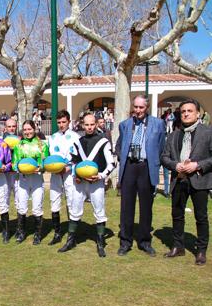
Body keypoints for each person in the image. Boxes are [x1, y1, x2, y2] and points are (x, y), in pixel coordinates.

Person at [161, 99, 212, 266]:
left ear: (197, 113)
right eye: (183, 111)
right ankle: (178, 246)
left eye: (190, 111)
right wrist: (176, 166)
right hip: (179, 179)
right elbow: (164, 157)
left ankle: (201, 250)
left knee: (201, 216)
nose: (186, 114)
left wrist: (197, 165)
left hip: (199, 180)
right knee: (177, 215)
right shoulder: (174, 135)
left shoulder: (207, 132)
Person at [59, 114, 115, 257]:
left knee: (99, 211)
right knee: (75, 210)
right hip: (80, 183)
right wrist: (75, 176)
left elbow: (111, 163)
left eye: (92, 124)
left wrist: (101, 176)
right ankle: (70, 240)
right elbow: (73, 162)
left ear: (96, 124)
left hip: (96, 183)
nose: (89, 127)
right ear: (82, 125)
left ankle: (101, 242)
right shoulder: (78, 142)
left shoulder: (104, 141)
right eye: (86, 125)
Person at [116, 95, 166, 257]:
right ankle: (125, 242)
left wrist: (152, 161)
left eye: (141, 107)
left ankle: (145, 241)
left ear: (147, 107)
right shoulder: (125, 125)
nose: (137, 111)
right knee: (126, 207)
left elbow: (161, 147)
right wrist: (123, 155)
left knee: (146, 207)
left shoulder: (158, 124)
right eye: (135, 107)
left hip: (146, 167)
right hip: (129, 167)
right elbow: (119, 146)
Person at [12, 120, 48, 244]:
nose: (27, 132)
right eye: (25, 130)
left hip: (37, 179)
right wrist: (20, 168)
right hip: (23, 180)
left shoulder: (42, 145)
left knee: (37, 207)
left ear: (34, 129)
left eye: (29, 129)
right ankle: (21, 233)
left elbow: (46, 163)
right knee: (22, 207)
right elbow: (14, 164)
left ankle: (37, 235)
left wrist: (40, 168)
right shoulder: (18, 146)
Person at [47, 110, 80, 246]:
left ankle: (72, 237)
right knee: (54, 201)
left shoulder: (76, 137)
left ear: (69, 121)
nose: (61, 125)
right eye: (59, 122)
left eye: (63, 122)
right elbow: (49, 156)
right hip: (55, 174)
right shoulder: (52, 137)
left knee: (71, 202)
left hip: (69, 173)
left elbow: (78, 157)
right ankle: (57, 233)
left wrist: (68, 168)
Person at [2, 118, 19, 207]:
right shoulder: (2, 141)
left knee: (19, 198)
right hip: (6, 173)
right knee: (5, 197)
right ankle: (5, 220)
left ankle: (20, 220)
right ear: (6, 128)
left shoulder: (20, 139)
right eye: (9, 126)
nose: (11, 128)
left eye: (13, 126)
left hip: (18, 172)